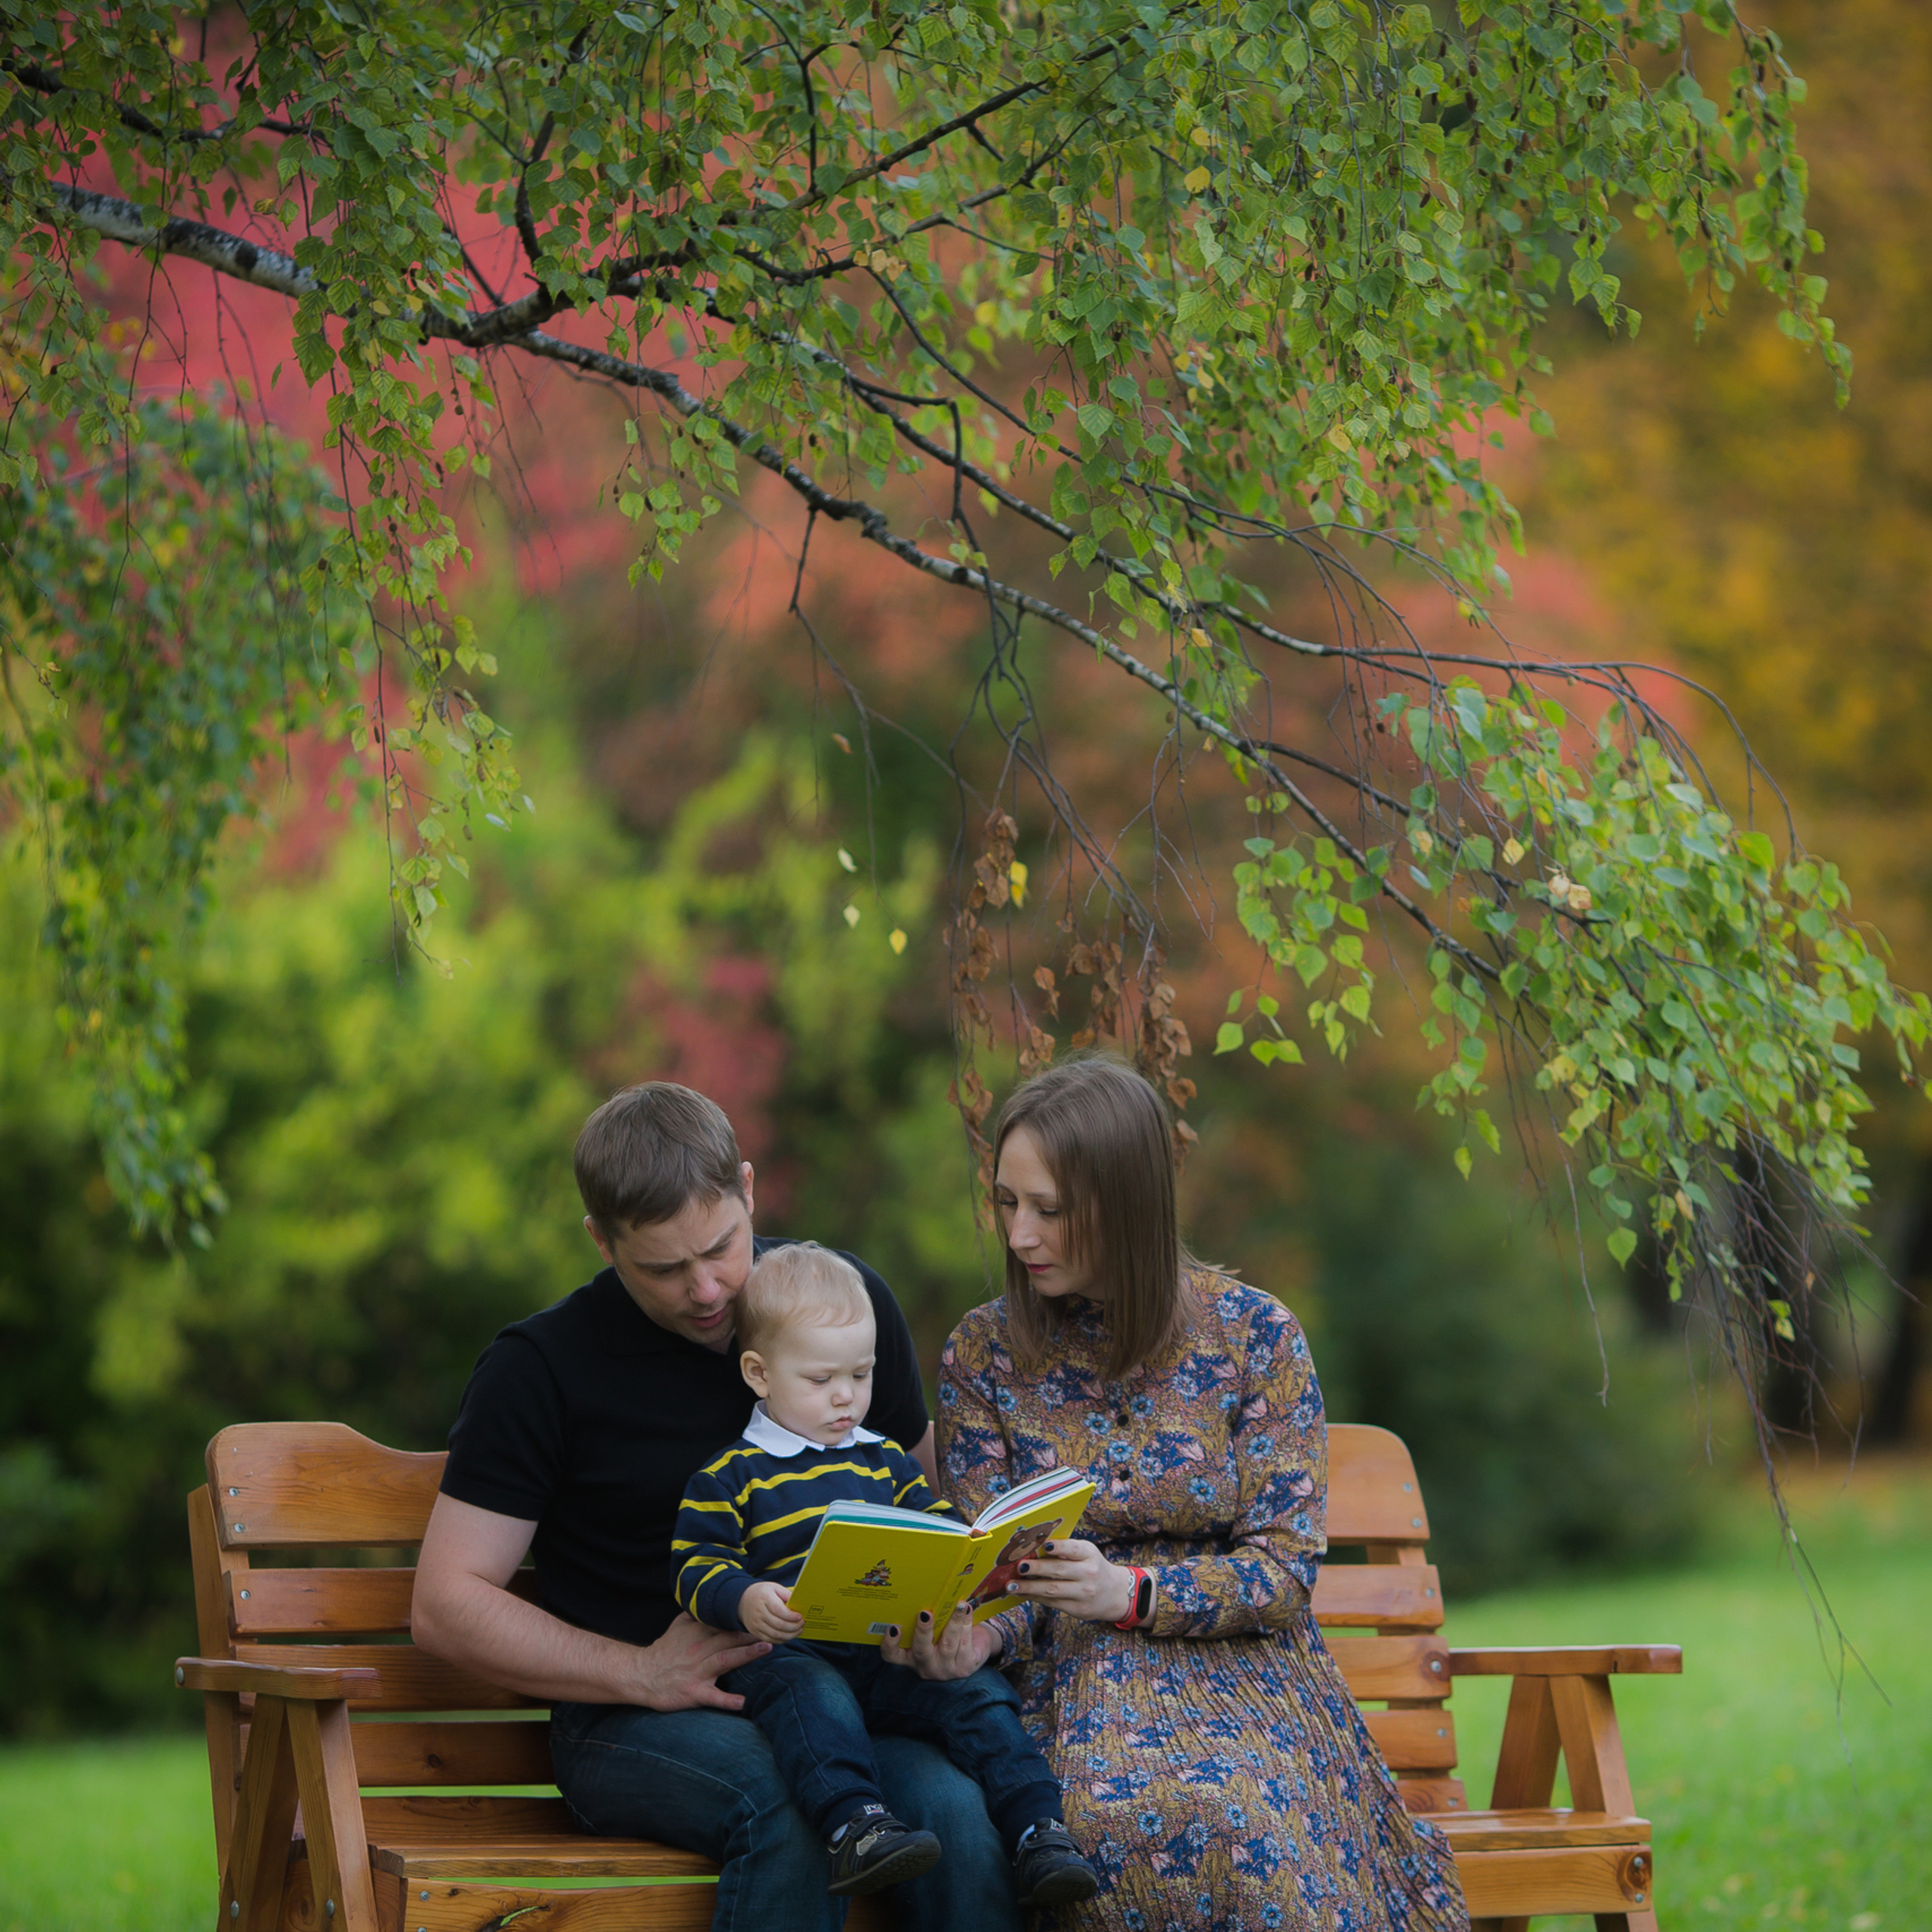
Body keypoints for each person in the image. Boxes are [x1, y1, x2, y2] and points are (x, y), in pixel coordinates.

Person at [411, 1081, 1021, 1932]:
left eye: (721, 1248)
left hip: (844, 1695)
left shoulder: (839, 1310)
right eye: (662, 1267)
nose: (705, 1290)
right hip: (634, 1719)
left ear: (746, 1186)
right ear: (600, 1239)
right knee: (790, 1808)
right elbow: (446, 1601)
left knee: (956, 1812)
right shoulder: (539, 1369)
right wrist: (638, 1672)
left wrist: (941, 1618)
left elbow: (920, 1518)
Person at [937, 1055, 1470, 1931]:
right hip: (1076, 1680)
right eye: (1006, 1202)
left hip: (1247, 1670)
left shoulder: (1255, 1336)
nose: (1020, 1235)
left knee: (1245, 1822)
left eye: (1049, 1210)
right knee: (1103, 1833)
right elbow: (993, 1573)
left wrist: (1132, 1591)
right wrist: (972, 1634)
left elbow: (1282, 1570)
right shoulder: (983, 1355)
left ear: (1126, 1203)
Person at [672, 1241, 1100, 1905]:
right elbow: (695, 1565)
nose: (846, 1397)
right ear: (759, 1373)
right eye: (820, 1380)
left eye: (862, 1374)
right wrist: (746, 1595)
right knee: (815, 1695)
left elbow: (938, 1531)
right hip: (792, 1653)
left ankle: (1038, 1830)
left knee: (976, 1695)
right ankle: (855, 1825)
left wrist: (962, 1576)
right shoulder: (731, 1474)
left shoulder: (887, 1462)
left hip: (887, 1654)